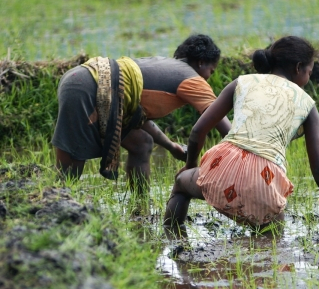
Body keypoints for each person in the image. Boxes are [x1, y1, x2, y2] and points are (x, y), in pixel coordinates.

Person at [164, 35, 319, 232]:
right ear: (298, 68)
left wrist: (190, 165)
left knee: (180, 184)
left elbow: (197, 131)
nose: (308, 78)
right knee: (272, 245)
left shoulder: (242, 82)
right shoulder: (307, 105)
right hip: (264, 183)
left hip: (221, 170)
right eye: (309, 72)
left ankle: (174, 242)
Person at [52, 34, 231, 183]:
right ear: (201, 63)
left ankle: (140, 208)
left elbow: (139, 119)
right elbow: (222, 123)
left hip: (80, 78)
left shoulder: (162, 65)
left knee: (142, 143)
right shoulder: (193, 79)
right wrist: (245, 153)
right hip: (88, 87)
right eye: (211, 71)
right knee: (69, 173)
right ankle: (58, 209)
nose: (208, 78)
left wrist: (171, 146)